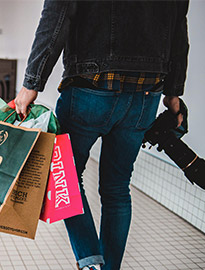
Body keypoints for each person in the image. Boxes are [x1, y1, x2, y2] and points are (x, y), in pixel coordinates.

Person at [14, 1, 189, 270]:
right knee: (117, 188)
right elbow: (179, 28)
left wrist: (31, 83)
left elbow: (56, 16)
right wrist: (174, 94)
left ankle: (91, 262)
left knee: (66, 177)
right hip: (146, 93)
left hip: (89, 87)